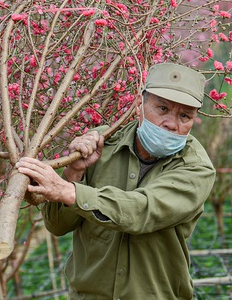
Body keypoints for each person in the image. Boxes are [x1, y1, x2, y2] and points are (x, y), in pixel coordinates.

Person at [15, 62, 216, 300]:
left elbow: (143, 210)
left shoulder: (196, 169)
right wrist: (73, 172)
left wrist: (70, 191)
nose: (172, 123)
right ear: (138, 105)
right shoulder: (102, 144)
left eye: (185, 116)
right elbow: (58, 226)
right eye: (162, 109)